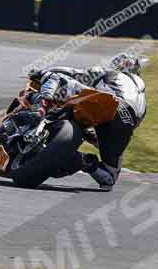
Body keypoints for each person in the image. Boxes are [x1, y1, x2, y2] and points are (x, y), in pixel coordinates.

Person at [28, 53, 148, 191]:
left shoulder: (114, 73)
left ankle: (40, 108)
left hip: (106, 102)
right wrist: (95, 138)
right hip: (126, 124)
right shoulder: (142, 99)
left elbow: (77, 73)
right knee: (109, 178)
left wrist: (41, 73)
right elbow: (126, 126)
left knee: (55, 77)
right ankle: (86, 163)